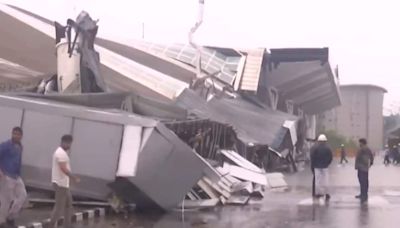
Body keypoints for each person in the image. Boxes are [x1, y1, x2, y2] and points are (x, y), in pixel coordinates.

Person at [49, 135, 80, 228]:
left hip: (63, 184)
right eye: (69, 143)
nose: (69, 145)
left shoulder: (61, 152)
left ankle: (67, 225)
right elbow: (63, 168)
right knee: (59, 207)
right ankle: (51, 225)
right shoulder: (60, 153)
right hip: (60, 184)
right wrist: (74, 177)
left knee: (68, 204)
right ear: (64, 142)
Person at [0, 127, 27, 228]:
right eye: (14, 134)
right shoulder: (5, 145)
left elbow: (18, 161)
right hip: (6, 176)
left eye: (18, 134)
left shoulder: (20, 147)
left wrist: (19, 174)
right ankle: (2, 222)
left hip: (16, 176)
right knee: (5, 200)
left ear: (21, 136)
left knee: (22, 196)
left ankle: (10, 216)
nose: (15, 136)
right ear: (11, 134)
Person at [310, 134, 333, 202]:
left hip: (317, 166)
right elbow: (330, 157)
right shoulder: (328, 148)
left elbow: (312, 157)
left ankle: (318, 193)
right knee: (325, 180)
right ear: (325, 141)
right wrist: (327, 163)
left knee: (318, 181)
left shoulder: (315, 148)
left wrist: (313, 165)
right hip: (325, 166)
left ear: (318, 141)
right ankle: (326, 194)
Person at [355, 138, 374, 204]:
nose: (359, 144)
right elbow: (371, 157)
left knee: (363, 181)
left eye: (360, 142)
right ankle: (363, 194)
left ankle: (364, 194)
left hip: (362, 167)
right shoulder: (367, 149)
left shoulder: (363, 149)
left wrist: (357, 166)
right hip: (364, 167)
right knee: (364, 181)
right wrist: (371, 163)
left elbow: (359, 158)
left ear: (362, 143)